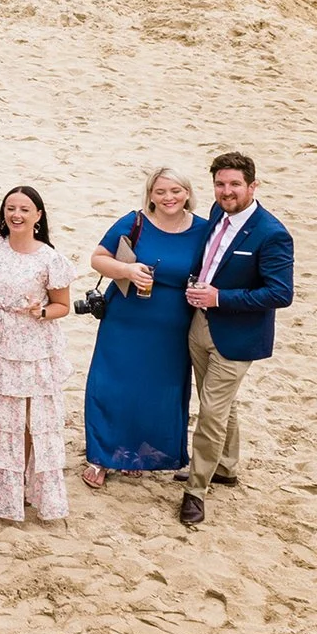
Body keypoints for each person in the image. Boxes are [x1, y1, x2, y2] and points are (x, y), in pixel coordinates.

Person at [178, 152, 295, 528]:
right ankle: (225, 467)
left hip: (238, 335)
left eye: (234, 185)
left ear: (252, 186)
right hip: (200, 325)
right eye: (220, 184)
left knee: (211, 412)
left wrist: (219, 298)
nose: (226, 192)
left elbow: (280, 294)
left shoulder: (272, 234)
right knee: (218, 404)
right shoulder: (217, 211)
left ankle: (196, 490)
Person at [78, 169, 210, 489]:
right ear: (150, 194)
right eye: (161, 191)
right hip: (126, 318)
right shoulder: (134, 222)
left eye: (176, 190)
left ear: (187, 193)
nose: (169, 198)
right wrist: (127, 269)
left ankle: (134, 454)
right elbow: (98, 258)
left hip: (172, 325)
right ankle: (99, 458)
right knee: (111, 386)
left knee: (154, 391)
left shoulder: (204, 230)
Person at [0, 187, 76, 524]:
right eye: (10, 208)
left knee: (22, 419)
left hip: (29, 347)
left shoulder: (50, 259)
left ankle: (17, 482)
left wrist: (41, 312)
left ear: (38, 216)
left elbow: (63, 306)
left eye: (24, 209)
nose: (16, 215)